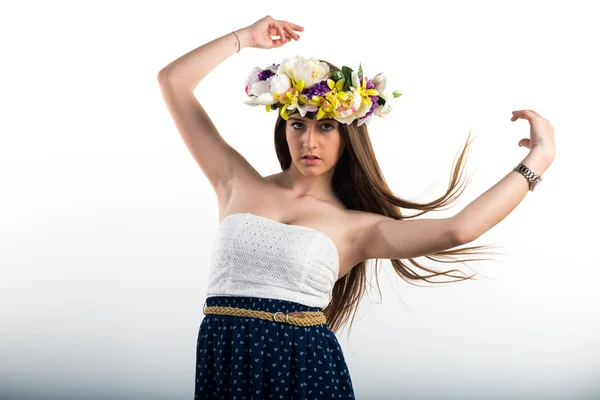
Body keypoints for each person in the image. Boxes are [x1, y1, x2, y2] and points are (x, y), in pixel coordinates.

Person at [157, 15, 556, 400]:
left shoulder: (358, 228)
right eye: (298, 123)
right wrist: (244, 37)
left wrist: (539, 157)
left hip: (304, 367)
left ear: (348, 133)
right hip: (225, 358)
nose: (309, 141)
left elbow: (459, 229)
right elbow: (172, 82)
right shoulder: (235, 181)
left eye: (326, 126)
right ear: (283, 127)